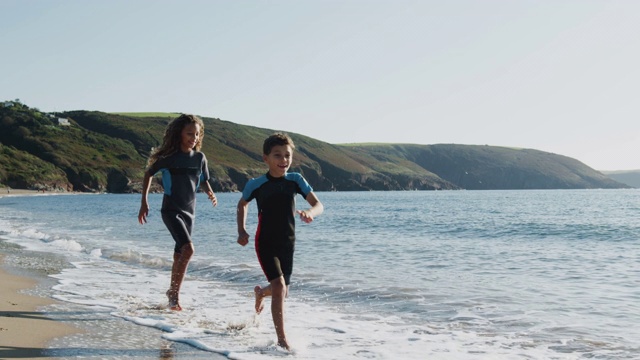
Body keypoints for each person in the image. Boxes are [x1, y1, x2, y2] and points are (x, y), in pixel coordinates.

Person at [236, 132, 324, 350]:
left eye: (287, 155)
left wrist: (311, 213)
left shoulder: (295, 180)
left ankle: (260, 293)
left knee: (282, 291)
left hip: (288, 243)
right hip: (265, 241)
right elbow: (242, 204)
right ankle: (282, 340)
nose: (283, 160)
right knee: (279, 285)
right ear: (265, 158)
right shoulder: (256, 184)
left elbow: (318, 204)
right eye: (277, 155)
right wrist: (241, 230)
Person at [138, 114, 217, 311]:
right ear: (179, 134)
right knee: (188, 249)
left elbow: (203, 180)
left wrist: (210, 192)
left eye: (197, 134)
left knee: (178, 254)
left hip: (190, 212)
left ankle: (172, 293)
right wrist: (144, 202)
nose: (194, 138)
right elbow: (148, 173)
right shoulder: (169, 159)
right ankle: (174, 294)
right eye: (189, 133)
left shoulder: (200, 158)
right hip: (171, 210)